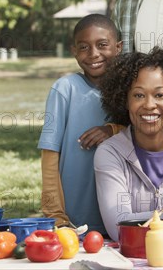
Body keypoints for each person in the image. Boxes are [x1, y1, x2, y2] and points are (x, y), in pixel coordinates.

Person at [94, 47, 163, 241]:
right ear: (125, 101)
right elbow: (119, 227)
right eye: (138, 95)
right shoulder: (110, 153)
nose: (149, 105)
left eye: (160, 95)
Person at [37, 14, 123, 234]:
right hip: (73, 222)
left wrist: (112, 130)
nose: (94, 54)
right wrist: (56, 217)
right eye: (84, 47)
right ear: (74, 51)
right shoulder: (65, 89)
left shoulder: (131, 90)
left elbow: (144, 137)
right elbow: (49, 157)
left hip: (121, 217)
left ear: (118, 47)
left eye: (102, 45)